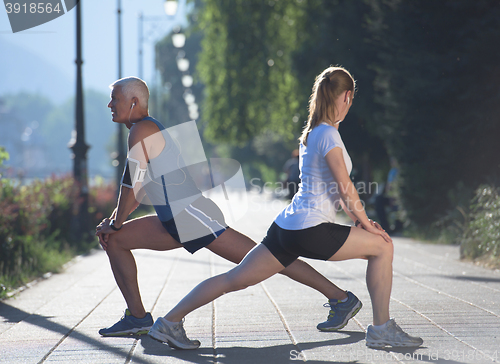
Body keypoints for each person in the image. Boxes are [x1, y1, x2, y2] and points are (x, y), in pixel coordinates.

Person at [148, 67, 423, 350]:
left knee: (235, 279)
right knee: (382, 247)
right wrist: (367, 223)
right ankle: (381, 329)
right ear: (347, 96)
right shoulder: (329, 135)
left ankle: (168, 322)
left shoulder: (312, 133)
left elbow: (334, 190)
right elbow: (344, 187)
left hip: (285, 229)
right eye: (350, 99)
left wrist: (357, 219)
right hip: (310, 229)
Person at [95, 76, 362, 337]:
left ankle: (340, 298)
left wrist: (115, 221)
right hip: (173, 220)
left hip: (192, 216)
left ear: (133, 101)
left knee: (271, 259)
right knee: (116, 239)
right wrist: (114, 223)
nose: (110, 105)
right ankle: (138, 318)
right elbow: (137, 191)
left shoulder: (142, 129)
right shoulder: (142, 130)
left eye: (114, 99)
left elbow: (131, 186)